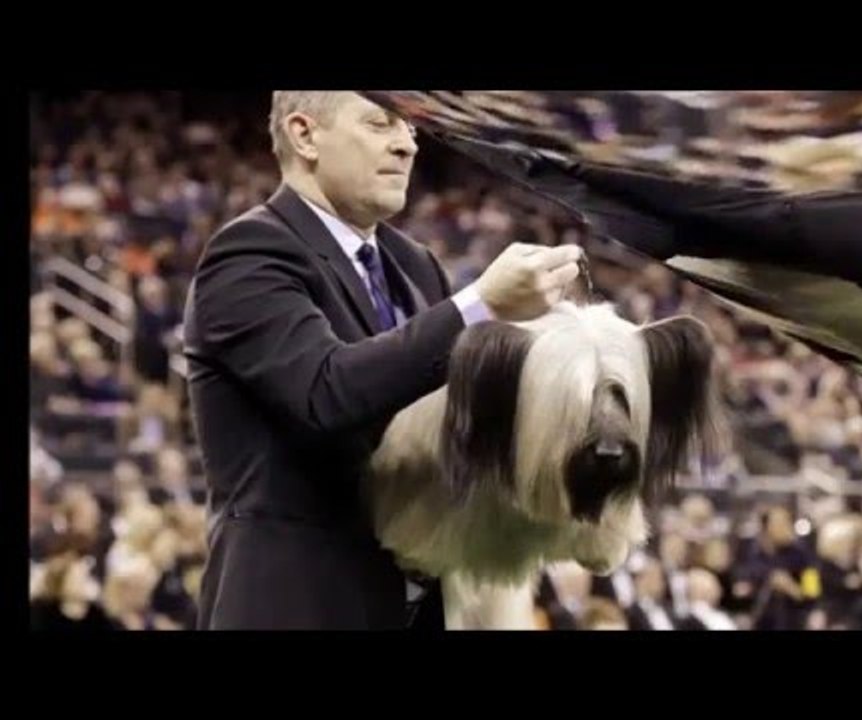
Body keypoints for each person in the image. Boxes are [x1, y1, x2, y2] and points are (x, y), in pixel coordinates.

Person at [182, 91, 583, 630]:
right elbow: (326, 392)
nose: (406, 145)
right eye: (381, 123)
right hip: (297, 603)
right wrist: (480, 304)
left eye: (411, 130)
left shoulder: (414, 265)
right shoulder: (248, 253)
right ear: (305, 135)